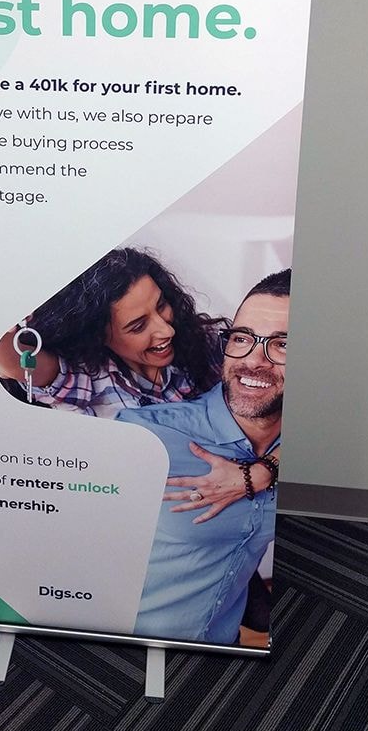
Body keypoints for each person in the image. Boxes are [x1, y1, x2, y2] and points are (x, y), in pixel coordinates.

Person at [116, 268, 289, 645]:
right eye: (242, 338)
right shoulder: (145, 436)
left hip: (224, 652)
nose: (253, 361)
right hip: (125, 653)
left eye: (283, 345)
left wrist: (264, 470)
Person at [0, 247, 227, 417]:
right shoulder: (86, 378)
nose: (167, 330)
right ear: (98, 336)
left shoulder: (205, 341)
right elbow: (7, 359)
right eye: (138, 326)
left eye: (161, 305)